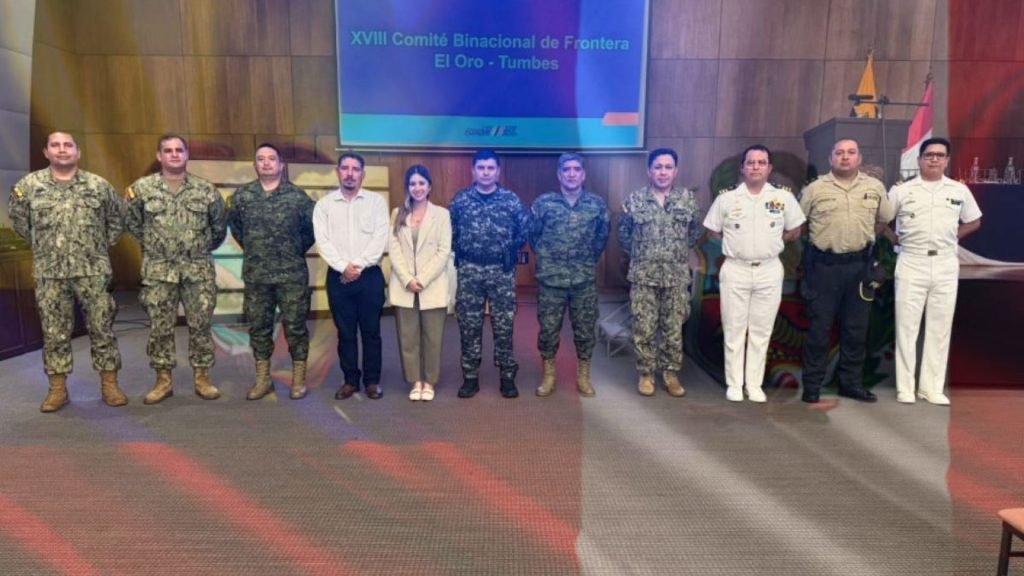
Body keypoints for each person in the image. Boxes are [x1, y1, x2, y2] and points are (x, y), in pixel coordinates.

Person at [8, 131, 127, 412]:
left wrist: (97, 246)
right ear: (46, 152)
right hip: (50, 272)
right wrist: (45, 247)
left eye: (68, 145)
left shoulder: (98, 186)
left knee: (102, 328)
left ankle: (109, 384)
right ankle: (57, 389)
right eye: (55, 145)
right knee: (54, 332)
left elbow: (117, 220)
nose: (62, 149)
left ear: (77, 152)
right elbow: (20, 223)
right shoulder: (28, 186)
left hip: (93, 271)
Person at [126, 134, 228, 404]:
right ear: (159, 156)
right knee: (160, 327)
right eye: (168, 150)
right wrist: (156, 246)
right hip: (159, 271)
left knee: (201, 325)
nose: (174, 154)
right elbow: (133, 224)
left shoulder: (206, 190)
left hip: (197, 271)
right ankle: (163, 380)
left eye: (179, 150)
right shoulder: (141, 189)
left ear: (186, 155)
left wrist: (196, 248)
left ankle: (202, 378)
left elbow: (218, 228)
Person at [703, 145, 805, 402]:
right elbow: (712, 230)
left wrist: (776, 242)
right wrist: (733, 245)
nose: (756, 167)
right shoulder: (727, 199)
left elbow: (795, 229)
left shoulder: (783, 198)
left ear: (769, 168)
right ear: (742, 168)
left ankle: (754, 384)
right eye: (750, 162)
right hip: (735, 269)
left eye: (761, 162)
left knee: (762, 330)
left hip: (769, 269)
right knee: (734, 329)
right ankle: (734, 384)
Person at [885, 137, 981, 405]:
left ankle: (931, 388)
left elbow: (974, 221)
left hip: (945, 263)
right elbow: (882, 221)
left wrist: (953, 236)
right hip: (911, 261)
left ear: (947, 160)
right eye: (929, 155)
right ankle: (906, 387)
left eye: (940, 155)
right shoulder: (902, 190)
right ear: (919, 160)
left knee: (940, 328)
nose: (934, 159)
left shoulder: (959, 190)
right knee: (906, 327)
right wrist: (896, 240)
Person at [798, 138, 895, 403]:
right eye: (839, 152)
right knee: (819, 330)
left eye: (851, 152)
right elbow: (799, 224)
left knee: (856, 330)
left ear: (859, 158)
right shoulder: (815, 188)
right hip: (824, 268)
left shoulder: (874, 187)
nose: (845, 157)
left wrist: (863, 239)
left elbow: (883, 220)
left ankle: (851, 384)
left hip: (859, 267)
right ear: (830, 159)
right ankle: (812, 385)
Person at [226, 143, 316, 401]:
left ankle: (298, 380)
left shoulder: (298, 198)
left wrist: (291, 251)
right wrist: (258, 251)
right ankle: (263, 380)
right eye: (261, 159)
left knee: (296, 327)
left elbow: (311, 232)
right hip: (257, 276)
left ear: (281, 164)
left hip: (291, 276)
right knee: (259, 328)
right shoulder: (242, 197)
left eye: (271, 159)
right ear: (255, 165)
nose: (266, 163)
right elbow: (238, 230)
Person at [618, 148, 703, 397]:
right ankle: (646, 373)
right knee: (643, 327)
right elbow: (624, 235)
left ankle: (670, 373)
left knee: (673, 328)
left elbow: (694, 233)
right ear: (649, 171)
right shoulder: (634, 200)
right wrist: (644, 255)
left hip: (676, 276)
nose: (663, 172)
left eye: (668, 167)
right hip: (643, 276)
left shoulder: (687, 200)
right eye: (658, 167)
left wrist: (673, 254)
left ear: (675, 171)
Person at [450, 149, 529, 399]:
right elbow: (451, 233)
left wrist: (507, 251)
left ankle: (507, 376)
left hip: (501, 271)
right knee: (469, 325)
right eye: (481, 168)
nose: (486, 172)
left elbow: (523, 232)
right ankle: (470, 376)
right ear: (473, 171)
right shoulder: (460, 200)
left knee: (504, 325)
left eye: (490, 168)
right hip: (470, 270)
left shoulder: (511, 200)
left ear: (498, 171)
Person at [528, 153, 609, 397]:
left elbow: (601, 238)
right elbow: (533, 236)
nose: (571, 173)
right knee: (548, 330)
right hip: (551, 280)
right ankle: (549, 376)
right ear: (559, 174)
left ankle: (583, 376)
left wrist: (585, 261)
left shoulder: (597, 205)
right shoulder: (543, 204)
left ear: (583, 174)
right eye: (566, 169)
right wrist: (549, 260)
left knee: (585, 330)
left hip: (583, 280)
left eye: (576, 169)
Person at [313, 152, 389, 400]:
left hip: (370, 276)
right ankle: (350, 381)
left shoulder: (376, 203)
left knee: (371, 332)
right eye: (345, 168)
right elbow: (323, 242)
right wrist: (343, 267)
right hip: (338, 277)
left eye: (355, 169)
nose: (349, 173)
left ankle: (372, 381)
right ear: (338, 172)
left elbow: (380, 239)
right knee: (345, 333)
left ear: (362, 174)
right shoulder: (324, 205)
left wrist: (356, 266)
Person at [388, 165, 452, 402]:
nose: (417, 188)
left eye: (421, 183)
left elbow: (444, 251)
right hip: (404, 286)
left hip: (432, 285)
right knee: (408, 337)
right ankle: (415, 380)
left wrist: (422, 279)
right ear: (408, 187)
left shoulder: (442, 215)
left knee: (433, 338)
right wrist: (407, 279)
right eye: (413, 183)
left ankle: (430, 381)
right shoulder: (397, 213)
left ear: (429, 186)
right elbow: (393, 249)